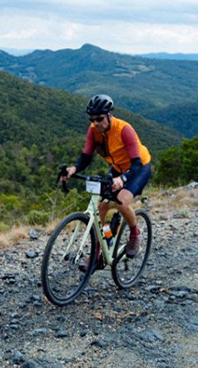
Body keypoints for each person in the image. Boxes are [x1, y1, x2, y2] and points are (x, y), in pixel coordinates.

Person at [60, 94, 152, 264]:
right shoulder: (93, 130)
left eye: (99, 119)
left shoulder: (124, 130)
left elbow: (137, 163)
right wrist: (74, 169)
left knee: (120, 203)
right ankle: (98, 250)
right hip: (118, 168)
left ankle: (134, 234)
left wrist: (122, 179)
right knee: (101, 206)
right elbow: (86, 157)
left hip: (138, 169)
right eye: (92, 119)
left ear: (109, 115)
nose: (96, 123)